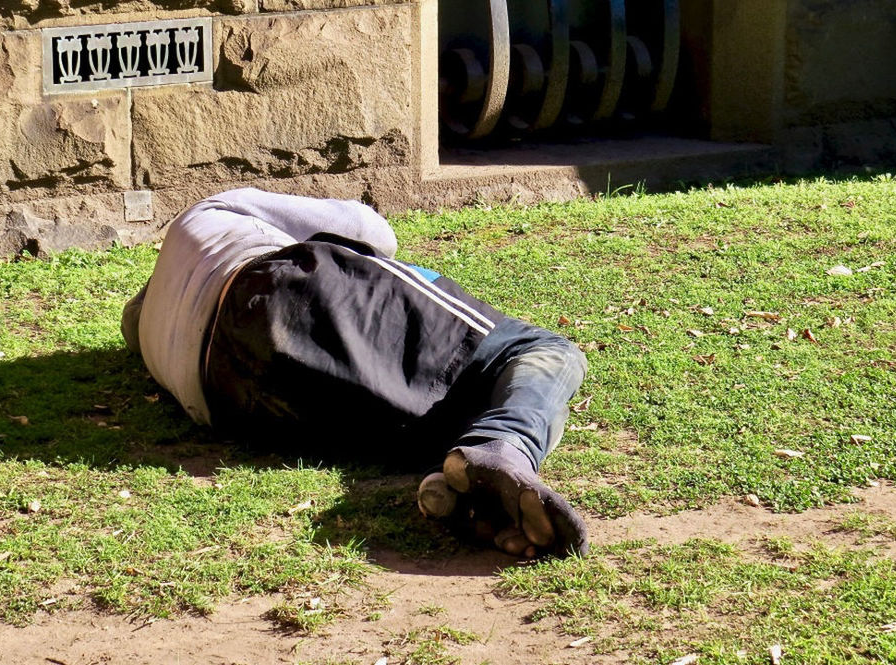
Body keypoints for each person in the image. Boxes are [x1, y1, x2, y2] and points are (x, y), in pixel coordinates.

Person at [122, 188, 589, 558]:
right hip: (275, 288)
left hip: (227, 398)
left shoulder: (146, 330)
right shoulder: (211, 211)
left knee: (423, 407)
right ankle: (508, 445)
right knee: (539, 350)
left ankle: (460, 489)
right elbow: (371, 228)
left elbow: (131, 319)